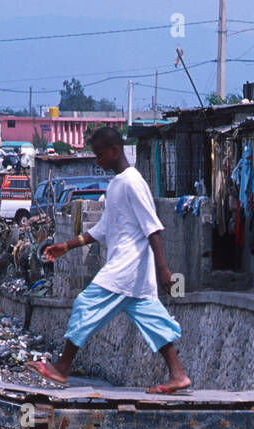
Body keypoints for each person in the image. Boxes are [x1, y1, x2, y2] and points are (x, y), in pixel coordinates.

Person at [27, 126, 191, 395]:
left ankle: (63, 367)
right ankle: (178, 374)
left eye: (100, 155)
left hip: (126, 268)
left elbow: (153, 227)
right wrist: (67, 245)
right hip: (133, 273)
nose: (98, 161)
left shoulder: (132, 182)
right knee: (154, 321)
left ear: (115, 151)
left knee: (85, 304)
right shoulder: (116, 184)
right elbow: (104, 228)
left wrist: (163, 268)